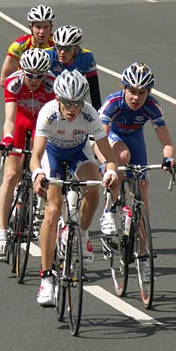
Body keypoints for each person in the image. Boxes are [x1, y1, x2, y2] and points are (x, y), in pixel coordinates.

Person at [30, 69, 119, 306]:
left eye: (77, 103)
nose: (72, 108)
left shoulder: (90, 115)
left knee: (93, 189)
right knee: (53, 209)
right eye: (67, 102)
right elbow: (35, 155)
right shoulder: (48, 113)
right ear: (58, 99)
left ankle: (82, 232)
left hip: (79, 153)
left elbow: (107, 154)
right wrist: (38, 174)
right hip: (53, 155)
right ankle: (46, 278)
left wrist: (110, 170)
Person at [0, 48, 56, 261]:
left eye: (39, 76)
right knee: (10, 176)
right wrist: (7, 138)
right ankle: (2, 236)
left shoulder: (53, 83)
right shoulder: (14, 81)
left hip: (42, 126)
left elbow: (54, 117)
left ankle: (39, 206)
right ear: (22, 70)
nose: (34, 80)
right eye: (30, 75)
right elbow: (10, 118)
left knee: (44, 162)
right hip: (21, 122)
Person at [98, 63, 176, 236]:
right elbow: (99, 140)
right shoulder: (113, 103)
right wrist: (106, 164)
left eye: (142, 93)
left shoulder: (152, 106)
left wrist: (168, 159)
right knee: (123, 154)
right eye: (132, 91)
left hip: (135, 139)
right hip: (112, 137)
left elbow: (167, 143)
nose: (136, 97)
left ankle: (142, 256)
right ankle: (110, 208)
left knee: (142, 195)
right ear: (124, 88)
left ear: (148, 93)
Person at [45, 25, 102, 110]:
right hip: (50, 98)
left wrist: (98, 113)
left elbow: (94, 91)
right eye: (59, 47)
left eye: (67, 49)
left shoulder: (86, 57)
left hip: (73, 101)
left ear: (77, 49)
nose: (62, 52)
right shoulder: (47, 55)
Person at [0, 4, 55, 87]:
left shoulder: (57, 44)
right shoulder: (19, 46)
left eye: (46, 27)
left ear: (51, 27)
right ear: (31, 27)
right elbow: (4, 81)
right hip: (23, 88)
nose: (42, 31)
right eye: (38, 27)